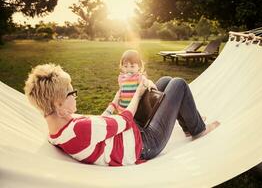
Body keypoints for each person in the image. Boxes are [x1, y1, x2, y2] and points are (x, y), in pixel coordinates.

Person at [24, 63, 219, 166]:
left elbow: (100, 122)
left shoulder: (58, 129)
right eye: (72, 93)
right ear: (58, 104)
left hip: (130, 132)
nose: (76, 96)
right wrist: (138, 92)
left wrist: (116, 100)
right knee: (178, 84)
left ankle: (188, 124)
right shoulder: (79, 129)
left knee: (164, 82)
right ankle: (197, 130)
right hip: (145, 144)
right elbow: (124, 119)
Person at [102, 49, 156, 116]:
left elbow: (146, 82)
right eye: (125, 66)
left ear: (139, 66)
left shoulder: (138, 77)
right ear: (122, 66)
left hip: (134, 110)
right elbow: (122, 91)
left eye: (132, 66)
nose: (129, 69)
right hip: (122, 110)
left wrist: (150, 84)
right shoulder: (121, 78)